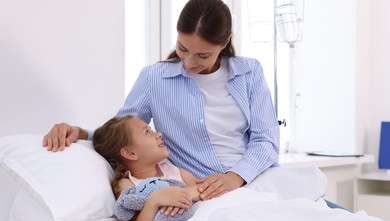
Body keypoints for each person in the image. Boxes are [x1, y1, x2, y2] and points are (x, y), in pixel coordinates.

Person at [43, 0, 340, 209]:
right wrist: (80, 132)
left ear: (225, 42)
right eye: (183, 48)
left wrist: (235, 178)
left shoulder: (249, 72)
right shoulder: (154, 79)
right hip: (204, 191)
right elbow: (123, 135)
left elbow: (265, 140)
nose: (188, 62)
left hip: (256, 179)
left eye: (202, 56)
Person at [93, 115, 200, 221]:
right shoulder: (128, 184)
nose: (158, 134)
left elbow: (205, 191)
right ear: (130, 153)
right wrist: (155, 200)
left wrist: (183, 194)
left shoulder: (176, 171)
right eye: (147, 132)